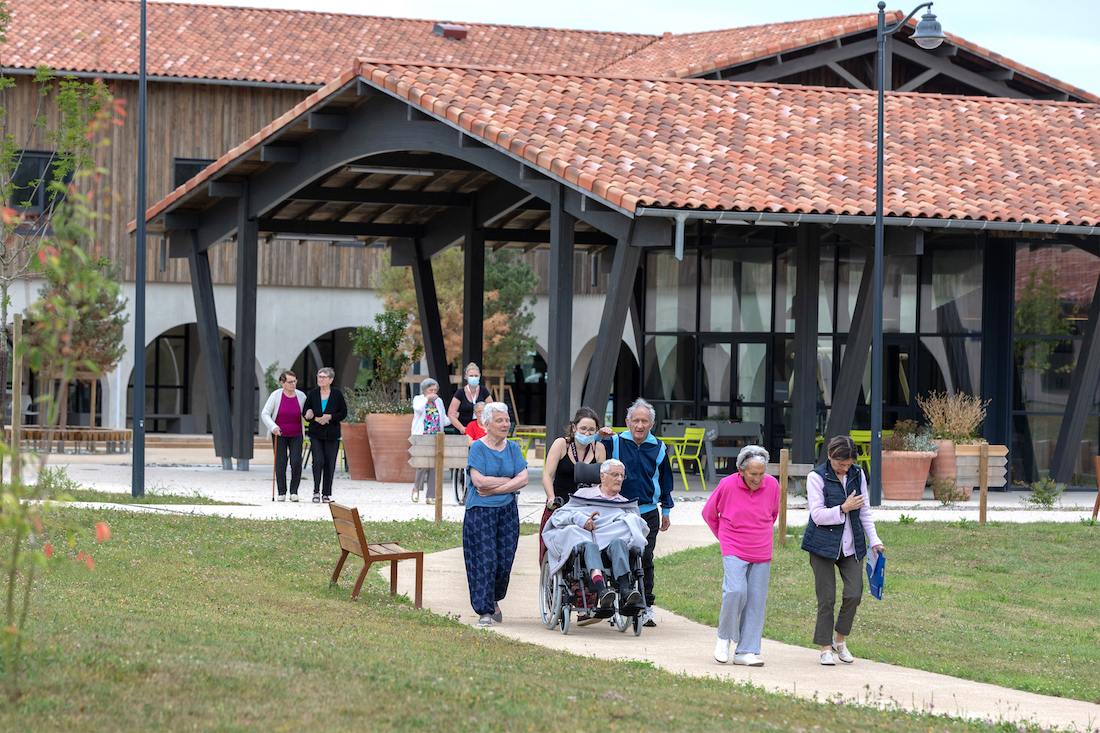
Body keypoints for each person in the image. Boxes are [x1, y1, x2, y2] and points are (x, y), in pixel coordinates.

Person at [803, 435, 885, 665]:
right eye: (841, 464)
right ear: (830, 456)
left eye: (848, 464)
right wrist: (843, 508)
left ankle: (840, 639)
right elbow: (817, 515)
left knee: (854, 594)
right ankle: (825, 648)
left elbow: (865, 511)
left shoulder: (857, 474)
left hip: (852, 546)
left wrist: (874, 540)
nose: (845, 468)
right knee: (826, 599)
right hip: (822, 546)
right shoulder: (816, 477)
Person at [597, 398, 673, 628]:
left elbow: (665, 480)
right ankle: (614, 603)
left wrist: (666, 509)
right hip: (618, 510)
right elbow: (594, 454)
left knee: (645, 558)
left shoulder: (659, 447)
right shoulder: (616, 441)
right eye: (636, 420)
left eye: (645, 421)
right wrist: (599, 436)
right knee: (615, 555)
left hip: (648, 511)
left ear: (652, 424)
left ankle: (647, 606)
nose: (640, 425)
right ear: (627, 422)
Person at [702, 445, 780, 667]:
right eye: (753, 474)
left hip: (762, 548)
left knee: (756, 600)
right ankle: (724, 637)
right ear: (741, 470)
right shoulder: (727, 485)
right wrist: (724, 538)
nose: (758, 478)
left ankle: (746, 651)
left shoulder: (772, 485)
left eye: (761, 473)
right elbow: (709, 513)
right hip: (734, 546)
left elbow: (772, 514)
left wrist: (759, 532)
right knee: (735, 591)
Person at [542, 459, 648, 609]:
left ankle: (626, 591)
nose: (619, 479)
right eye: (615, 474)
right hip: (587, 544)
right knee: (589, 545)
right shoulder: (583, 495)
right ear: (602, 476)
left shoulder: (625, 504)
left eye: (622, 476)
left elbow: (638, 527)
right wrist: (580, 519)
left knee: (620, 541)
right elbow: (559, 516)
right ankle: (602, 590)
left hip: (611, 549)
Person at [464, 402, 527, 628]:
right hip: (480, 512)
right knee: (485, 561)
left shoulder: (513, 448)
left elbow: (524, 478)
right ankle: (484, 611)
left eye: (507, 420)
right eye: (500, 420)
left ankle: (493, 598)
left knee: (504, 562)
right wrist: (510, 482)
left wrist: (498, 487)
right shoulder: (478, 448)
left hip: (507, 511)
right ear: (486, 424)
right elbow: (478, 481)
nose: (505, 424)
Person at [540, 406, 607, 562]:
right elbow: (547, 475)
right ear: (574, 427)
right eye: (583, 429)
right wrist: (551, 498)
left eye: (591, 430)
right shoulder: (561, 444)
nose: (587, 433)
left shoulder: (599, 448)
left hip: (585, 507)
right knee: (551, 550)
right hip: (560, 505)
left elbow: (602, 481)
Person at [260, 369, 307, 501]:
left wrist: (309, 413)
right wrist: (273, 427)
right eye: (290, 382)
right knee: (281, 462)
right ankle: (281, 492)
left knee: (296, 462)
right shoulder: (275, 395)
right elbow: (265, 413)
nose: (293, 384)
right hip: (279, 434)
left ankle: (294, 491)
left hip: (296, 434)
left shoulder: (301, 396)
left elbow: (307, 411)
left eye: (295, 381)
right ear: (282, 383)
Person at [302, 367, 347, 504]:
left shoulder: (337, 394)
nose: (320, 379)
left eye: (323, 377)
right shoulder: (313, 393)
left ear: (331, 379)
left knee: (329, 463)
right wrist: (311, 416)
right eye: (319, 376)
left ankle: (326, 493)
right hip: (316, 433)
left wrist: (330, 417)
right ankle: (316, 490)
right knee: (318, 461)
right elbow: (306, 411)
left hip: (332, 434)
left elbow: (343, 413)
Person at [411, 377, 452, 505]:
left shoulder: (438, 402)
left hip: (436, 437)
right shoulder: (419, 399)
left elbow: (443, 419)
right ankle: (416, 487)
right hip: (422, 436)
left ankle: (431, 495)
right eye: (431, 390)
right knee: (422, 464)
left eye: (435, 390)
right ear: (425, 390)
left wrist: (453, 418)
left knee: (434, 466)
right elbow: (417, 409)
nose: (434, 392)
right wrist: (427, 398)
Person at [448, 362, 492, 435]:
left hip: (480, 431)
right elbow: (451, 413)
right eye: (471, 376)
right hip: (463, 430)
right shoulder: (460, 392)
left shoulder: (483, 391)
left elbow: (492, 409)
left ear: (479, 376)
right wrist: (461, 428)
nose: (474, 378)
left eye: (476, 375)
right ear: (466, 377)